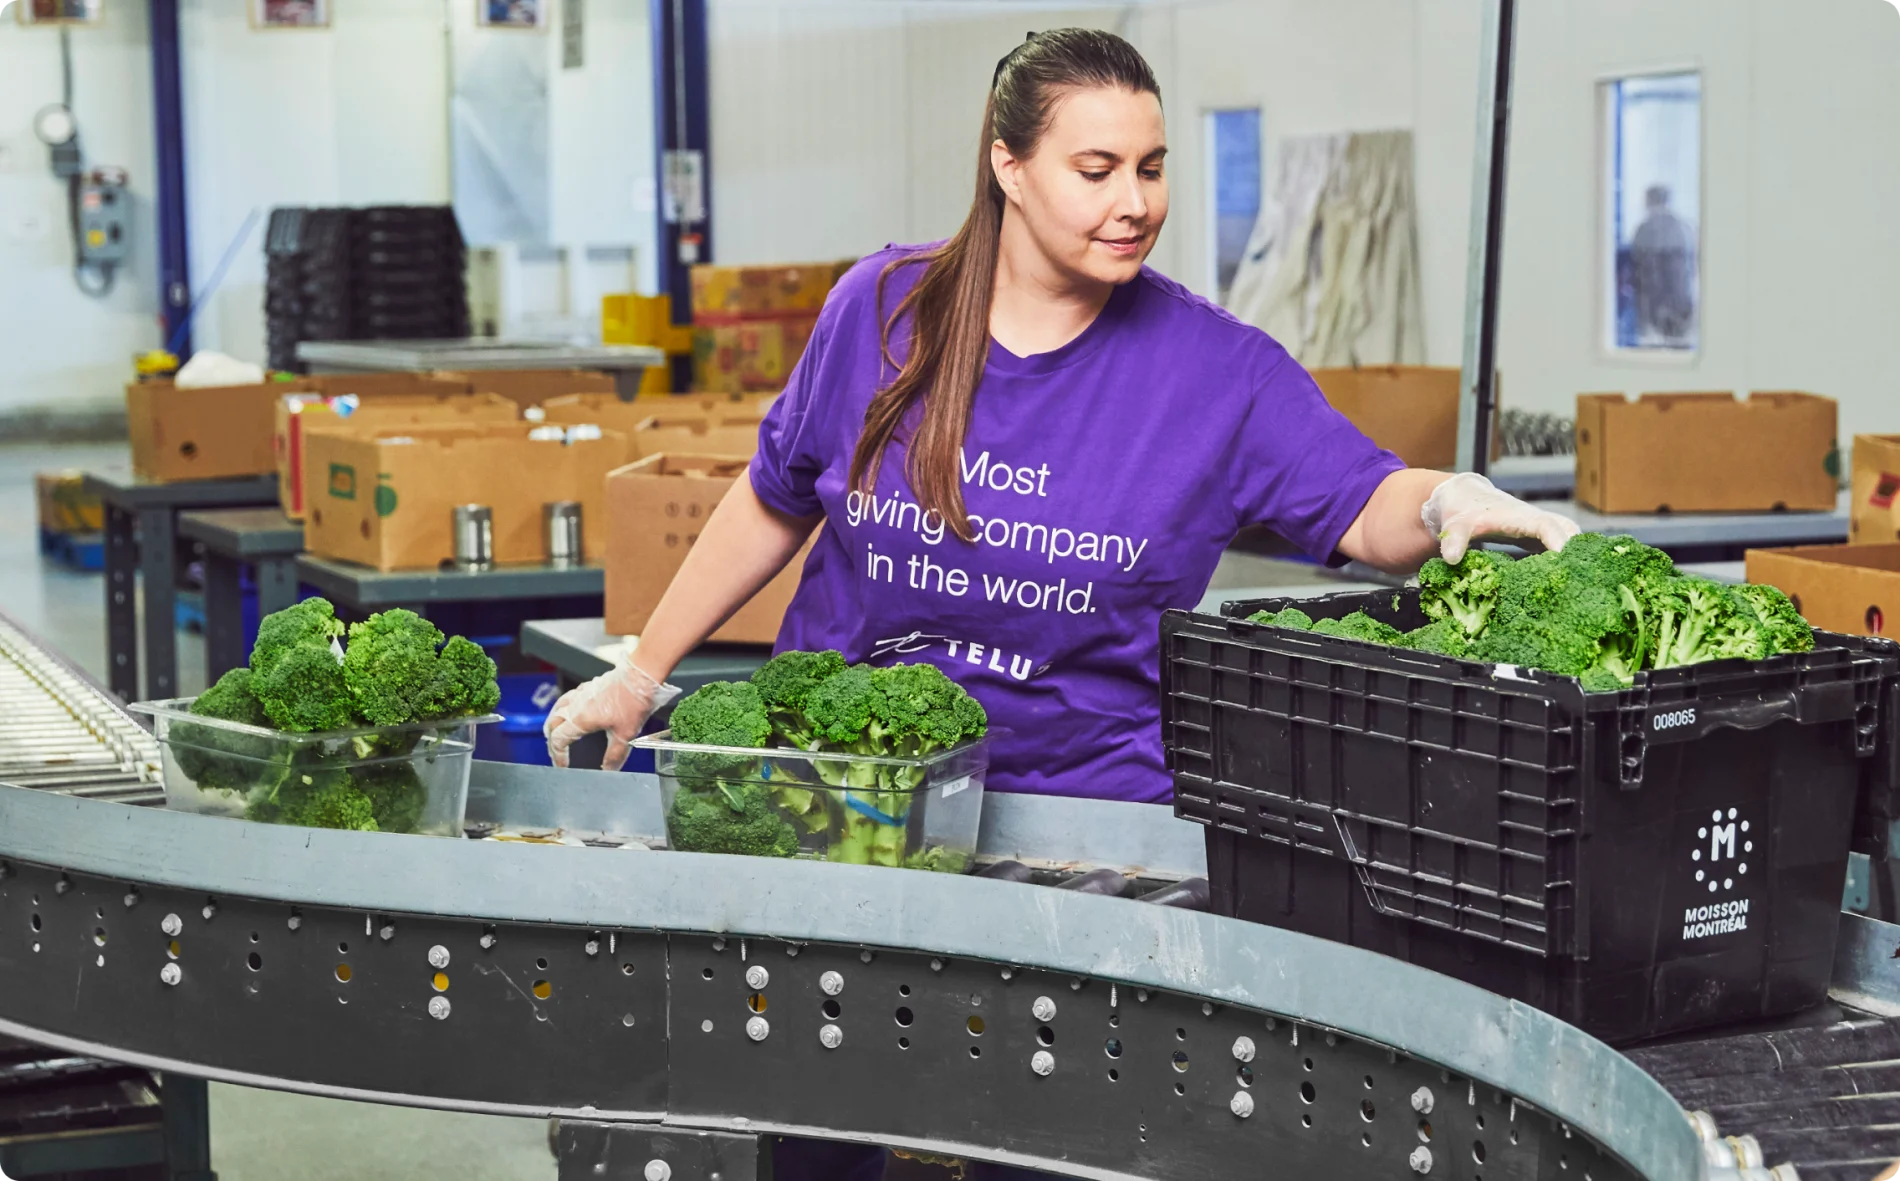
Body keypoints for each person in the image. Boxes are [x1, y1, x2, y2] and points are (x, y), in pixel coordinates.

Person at [545, 28, 1576, 1181]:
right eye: (1097, 170)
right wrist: (642, 670)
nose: (1134, 202)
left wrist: (1448, 500)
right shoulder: (882, 312)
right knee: (818, 1117)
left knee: (1051, 1146)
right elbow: (774, 496)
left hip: (1081, 841)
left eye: (1151, 166)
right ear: (1008, 166)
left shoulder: (1212, 372)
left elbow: (1357, 501)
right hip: (849, 808)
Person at [1629, 183, 1696, 345]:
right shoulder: (1684, 227)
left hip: (1654, 301)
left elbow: (1638, 270)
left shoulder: (1644, 229)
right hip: (1680, 300)